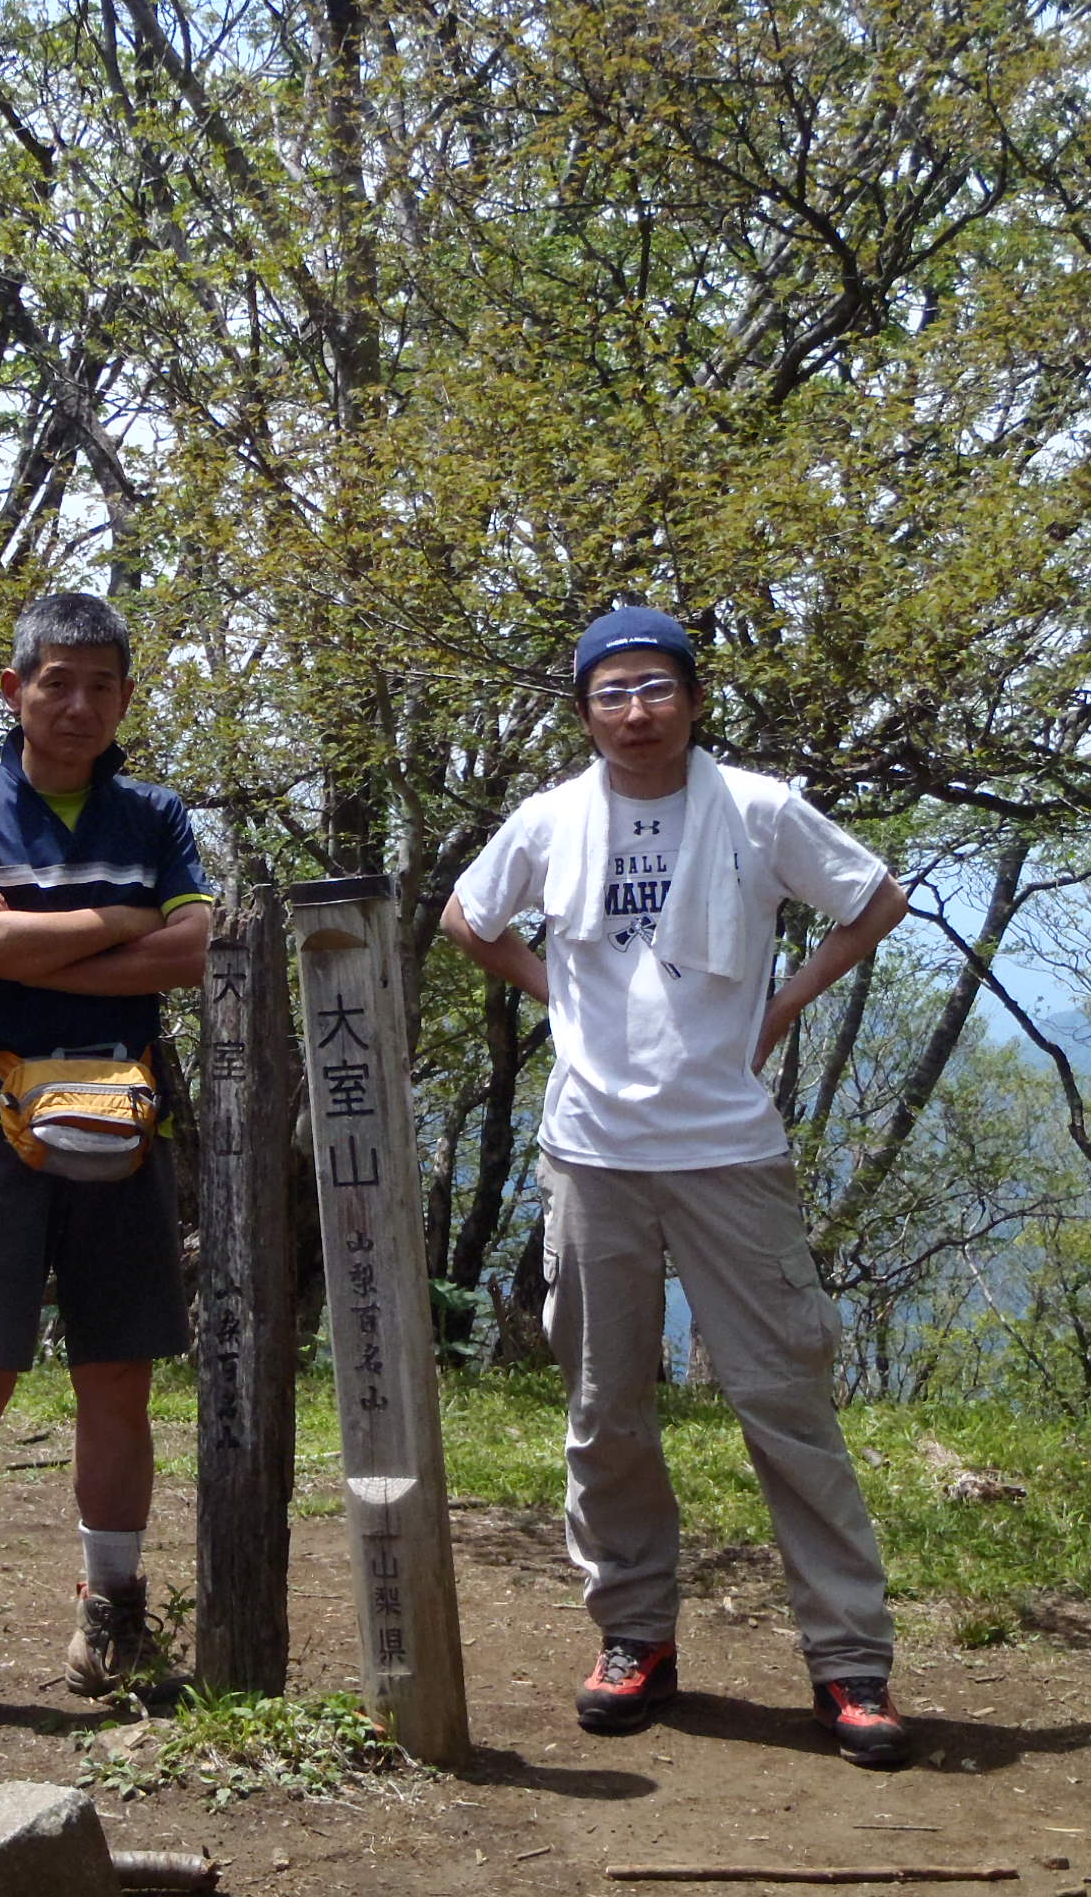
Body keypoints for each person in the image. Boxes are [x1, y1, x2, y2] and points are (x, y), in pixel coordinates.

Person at [439, 606, 914, 1767]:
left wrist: (779, 1008)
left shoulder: (754, 808)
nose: (636, 711)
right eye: (612, 692)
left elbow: (871, 899)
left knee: (783, 1400)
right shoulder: (552, 818)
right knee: (605, 1406)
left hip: (728, 1149)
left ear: (693, 698)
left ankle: (849, 1662)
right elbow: (466, 916)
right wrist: (558, 996)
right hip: (595, 1148)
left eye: (656, 688)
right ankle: (633, 1636)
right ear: (585, 709)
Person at [0, 589, 214, 1741]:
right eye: (56, 681)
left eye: (100, 685)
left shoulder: (156, 816)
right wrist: (121, 929)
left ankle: (114, 1609)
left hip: (123, 1121)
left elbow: (197, 954)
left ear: (125, 698)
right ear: (14, 688)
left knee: (117, 1378)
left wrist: (46, 947)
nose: (76, 704)